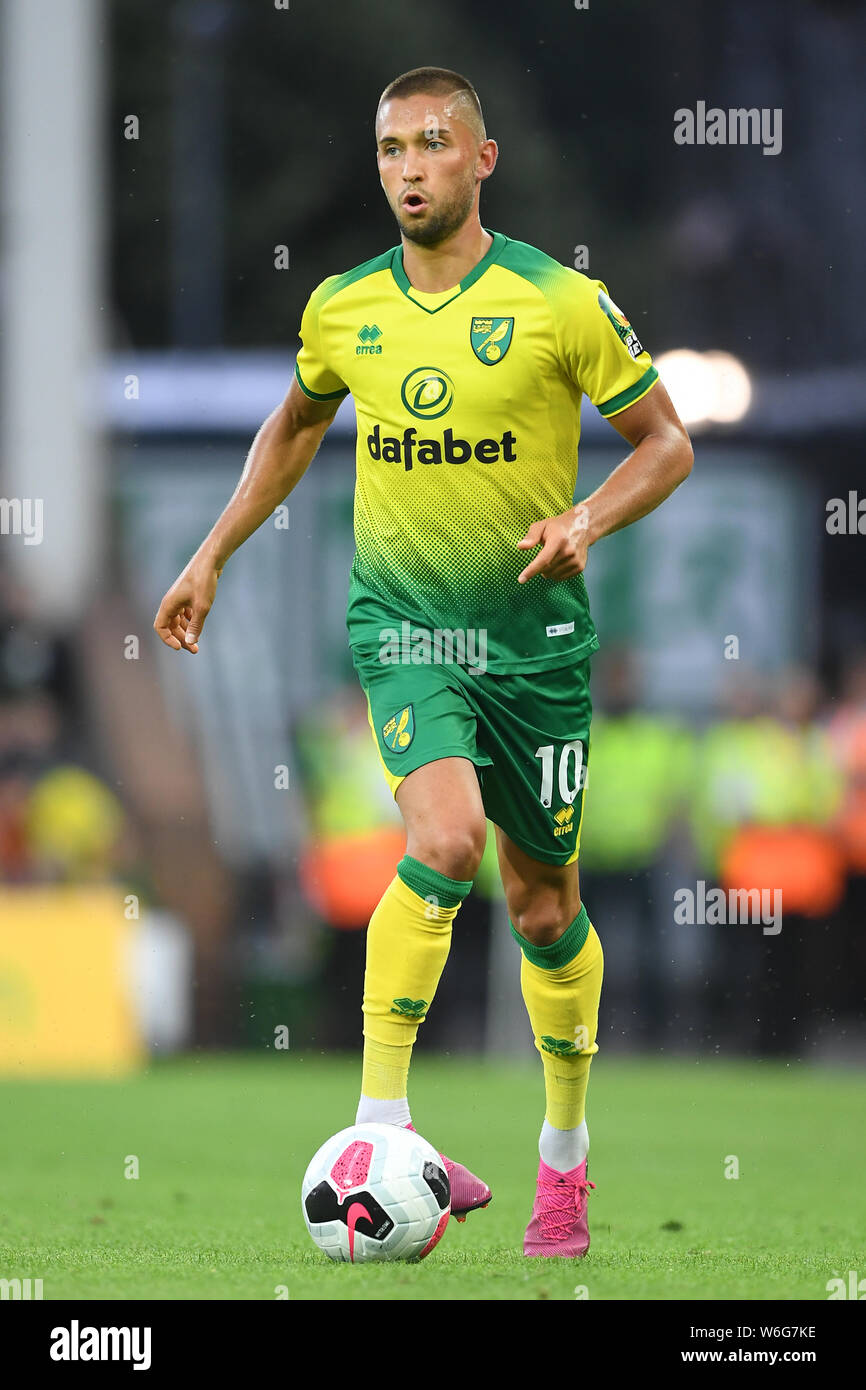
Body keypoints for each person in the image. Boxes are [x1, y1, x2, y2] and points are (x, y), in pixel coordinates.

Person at [153, 66, 693, 1257]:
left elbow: (664, 445)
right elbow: (295, 423)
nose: (408, 168)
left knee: (543, 906)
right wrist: (211, 555)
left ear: (480, 160)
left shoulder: (561, 303)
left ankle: (562, 1162)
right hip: (403, 627)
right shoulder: (344, 308)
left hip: (536, 649)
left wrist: (586, 521)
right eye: (391, 148)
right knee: (441, 841)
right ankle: (380, 1130)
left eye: (432, 145)